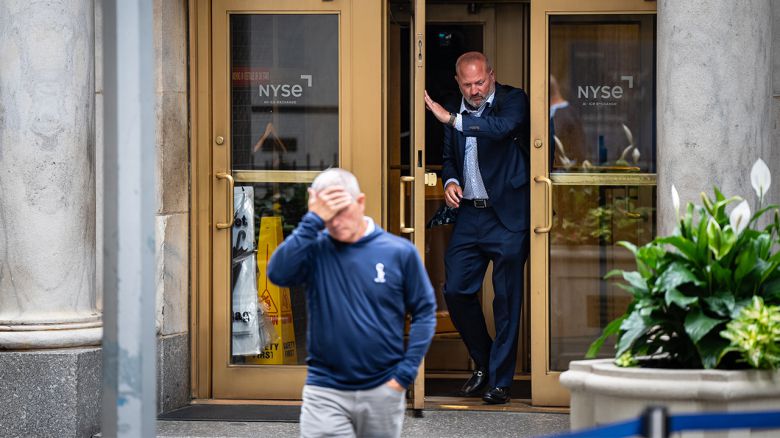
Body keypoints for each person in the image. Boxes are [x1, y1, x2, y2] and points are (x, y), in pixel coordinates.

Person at [268, 168, 436, 438]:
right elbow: (278, 273)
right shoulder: (315, 249)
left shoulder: (398, 252)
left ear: (360, 202)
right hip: (325, 389)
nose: (335, 222)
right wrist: (312, 221)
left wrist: (404, 375)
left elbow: (425, 313)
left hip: (383, 387)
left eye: (342, 210)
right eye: (328, 214)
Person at [423, 51, 530, 404]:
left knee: (506, 300)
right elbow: (450, 158)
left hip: (507, 216)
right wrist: (451, 180)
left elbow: (500, 129)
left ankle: (500, 382)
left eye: (480, 82)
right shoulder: (455, 108)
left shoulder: (513, 100)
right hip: (470, 216)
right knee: (455, 290)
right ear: (458, 82)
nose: (475, 90)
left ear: (492, 76)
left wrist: (453, 120)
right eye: (467, 84)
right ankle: (485, 362)